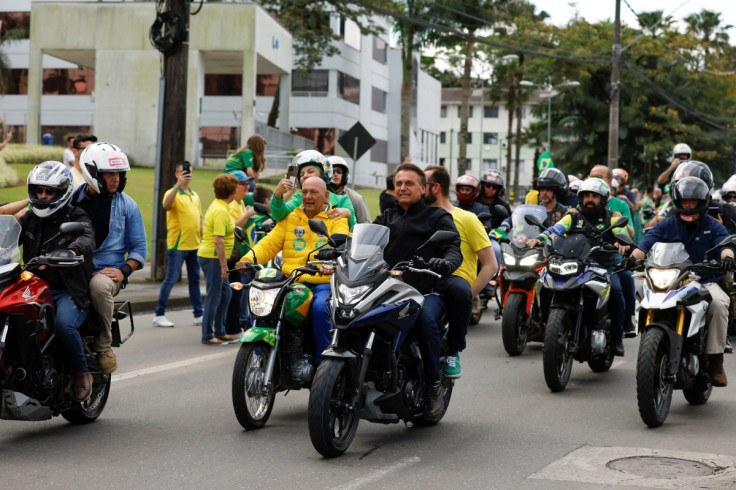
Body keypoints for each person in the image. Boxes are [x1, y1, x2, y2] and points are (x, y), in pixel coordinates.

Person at [626, 176, 734, 386]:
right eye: (684, 201)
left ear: (702, 202)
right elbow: (646, 244)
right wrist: (632, 258)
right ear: (677, 202)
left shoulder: (712, 225)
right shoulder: (667, 224)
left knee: (719, 303)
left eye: (692, 201)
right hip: (672, 281)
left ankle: (715, 360)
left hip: (704, 279)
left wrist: (727, 257)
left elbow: (724, 245)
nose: (688, 205)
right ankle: (652, 349)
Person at [373, 162, 462, 416]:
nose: (402, 188)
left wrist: (446, 263)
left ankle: (433, 385)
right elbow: (363, 239)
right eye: (399, 183)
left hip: (426, 291)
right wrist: (342, 247)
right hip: (388, 289)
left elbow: (453, 247)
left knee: (423, 318)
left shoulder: (437, 217)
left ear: (423, 188)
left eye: (409, 183)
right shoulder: (387, 217)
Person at [237, 176, 349, 361]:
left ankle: (325, 362)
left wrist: (331, 264)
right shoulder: (291, 217)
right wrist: (248, 259)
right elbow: (269, 243)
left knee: (321, 309)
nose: (308, 196)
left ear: (326, 195)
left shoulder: (336, 218)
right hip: (293, 281)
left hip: (323, 283)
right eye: (304, 192)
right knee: (261, 304)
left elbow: (341, 245)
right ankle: (263, 357)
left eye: (314, 192)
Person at [20, 161, 96, 402]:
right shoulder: (30, 217)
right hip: (32, 287)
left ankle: (81, 372)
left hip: (67, 290)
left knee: (64, 325)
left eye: (50, 191)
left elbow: (86, 236)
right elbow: (8, 236)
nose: (43, 196)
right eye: (39, 190)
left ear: (62, 192)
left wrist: (72, 251)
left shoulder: (76, 215)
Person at [527, 178, 629, 356]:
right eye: (586, 196)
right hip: (575, 263)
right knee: (544, 282)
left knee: (616, 291)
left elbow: (620, 232)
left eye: (595, 196)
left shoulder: (612, 217)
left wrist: (621, 241)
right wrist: (540, 239)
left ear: (603, 199)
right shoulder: (572, 215)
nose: (590, 199)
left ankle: (617, 338)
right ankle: (549, 324)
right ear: (580, 198)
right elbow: (556, 229)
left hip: (603, 265)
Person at [73, 142, 147, 373]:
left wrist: (124, 271)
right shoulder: (70, 202)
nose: (116, 179)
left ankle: (104, 346)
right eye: (109, 173)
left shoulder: (128, 206)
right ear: (92, 173)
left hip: (107, 271)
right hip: (73, 269)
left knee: (98, 286)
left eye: (119, 173)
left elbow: (139, 248)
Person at [425, 165, 497, 378]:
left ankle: (453, 351)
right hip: (422, 282)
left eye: (422, 183)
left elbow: (491, 265)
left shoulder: (466, 219)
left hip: (454, 283)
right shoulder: (417, 216)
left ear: (435, 187)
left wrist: (469, 295)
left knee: (458, 291)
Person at [153, 161, 203, 328]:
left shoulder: (195, 195)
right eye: (183, 172)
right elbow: (167, 205)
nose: (187, 175)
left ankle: (198, 314)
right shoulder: (172, 193)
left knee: (194, 279)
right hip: (178, 245)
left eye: (189, 172)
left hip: (194, 245)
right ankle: (159, 314)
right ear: (177, 174)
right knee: (171, 278)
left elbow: (200, 219)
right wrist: (177, 186)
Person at [589, 165, 637, 337]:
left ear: (609, 181)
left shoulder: (620, 205)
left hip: (612, 255)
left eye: (599, 176)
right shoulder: (584, 202)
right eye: (591, 176)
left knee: (625, 277)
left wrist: (620, 223)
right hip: (586, 256)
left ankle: (627, 319)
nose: (594, 179)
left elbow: (629, 232)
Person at [197, 173, 240, 345]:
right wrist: (224, 266)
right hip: (212, 257)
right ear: (231, 191)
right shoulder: (221, 210)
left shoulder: (221, 206)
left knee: (226, 293)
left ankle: (220, 330)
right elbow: (218, 240)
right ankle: (207, 334)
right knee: (214, 296)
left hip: (213, 257)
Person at [270, 150, 357, 230]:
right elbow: (278, 215)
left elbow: (353, 231)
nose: (305, 176)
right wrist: (278, 195)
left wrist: (349, 215)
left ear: (323, 175)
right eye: (301, 174)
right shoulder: (297, 200)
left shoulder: (342, 201)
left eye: (310, 171)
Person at [224, 170, 255, 335]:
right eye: (242, 184)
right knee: (231, 293)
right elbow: (235, 226)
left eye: (247, 183)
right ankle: (228, 327)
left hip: (237, 254)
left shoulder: (241, 203)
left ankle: (232, 326)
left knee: (236, 293)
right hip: (229, 255)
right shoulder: (232, 205)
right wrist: (248, 214)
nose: (246, 186)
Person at [326, 155, 371, 223]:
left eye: (339, 171)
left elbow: (366, 225)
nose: (335, 174)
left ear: (344, 174)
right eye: (332, 171)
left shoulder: (356, 199)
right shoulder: (320, 195)